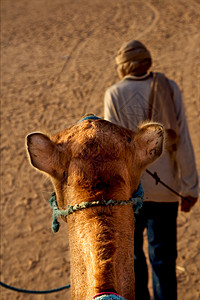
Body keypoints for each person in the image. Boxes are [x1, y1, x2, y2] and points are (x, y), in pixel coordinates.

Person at [104, 40, 199, 300]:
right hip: (166, 191)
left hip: (129, 193)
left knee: (133, 260)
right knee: (164, 261)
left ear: (123, 67)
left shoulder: (113, 94)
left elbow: (113, 152)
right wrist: (190, 187)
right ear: (147, 62)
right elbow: (184, 142)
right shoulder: (170, 88)